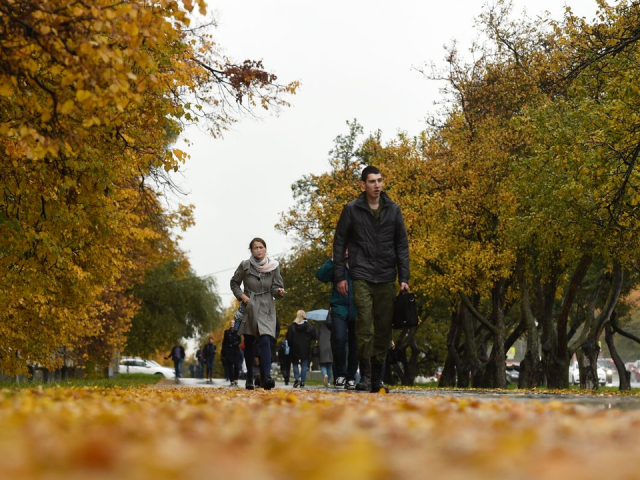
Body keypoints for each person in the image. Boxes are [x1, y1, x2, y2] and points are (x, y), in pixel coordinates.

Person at [333, 165, 410, 393]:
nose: (377, 185)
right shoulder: (351, 209)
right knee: (364, 325)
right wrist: (340, 276)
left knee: (384, 328)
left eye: (380, 180)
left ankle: (378, 377)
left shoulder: (394, 210)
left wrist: (404, 276)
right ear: (363, 185)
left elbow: (402, 245)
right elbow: (339, 243)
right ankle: (366, 376)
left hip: (387, 275)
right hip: (362, 274)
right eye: (372, 181)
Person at [230, 237, 285, 390]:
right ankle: (249, 377)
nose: (258, 250)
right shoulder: (245, 265)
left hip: (267, 306)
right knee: (249, 342)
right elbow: (234, 283)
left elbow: (276, 287)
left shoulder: (274, 266)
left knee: (266, 339)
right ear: (251, 250)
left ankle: (266, 377)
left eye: (261, 247)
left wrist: (279, 292)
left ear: (265, 249)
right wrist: (242, 296)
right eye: (255, 248)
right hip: (250, 305)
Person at [316, 251, 358, 389]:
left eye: (348, 247)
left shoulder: (360, 260)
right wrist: (332, 260)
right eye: (343, 247)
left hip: (358, 306)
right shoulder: (336, 264)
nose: (346, 250)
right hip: (339, 307)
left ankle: (351, 377)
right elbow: (321, 276)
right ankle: (341, 374)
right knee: (339, 338)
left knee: (354, 342)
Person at [286, 310, 317, 388]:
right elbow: (314, 336)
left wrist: (290, 345)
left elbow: (288, 338)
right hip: (305, 348)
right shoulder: (309, 326)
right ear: (304, 316)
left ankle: (296, 379)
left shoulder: (292, 326)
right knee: (304, 365)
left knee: (295, 364)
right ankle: (302, 382)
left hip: (294, 347)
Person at [221, 321, 241, 386]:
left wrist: (236, 343)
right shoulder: (226, 332)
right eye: (231, 323)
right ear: (230, 324)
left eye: (233, 323)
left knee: (236, 365)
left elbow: (239, 340)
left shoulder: (237, 332)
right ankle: (231, 380)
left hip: (236, 351)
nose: (232, 324)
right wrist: (223, 352)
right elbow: (224, 342)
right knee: (230, 366)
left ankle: (236, 378)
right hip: (229, 351)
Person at [317, 320, 333, 387]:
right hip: (331, 345)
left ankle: (325, 375)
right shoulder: (333, 325)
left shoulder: (320, 326)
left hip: (322, 345)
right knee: (330, 364)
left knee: (322, 364)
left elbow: (316, 335)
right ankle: (328, 382)